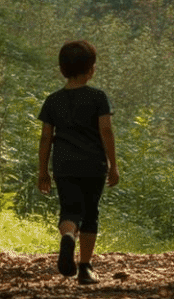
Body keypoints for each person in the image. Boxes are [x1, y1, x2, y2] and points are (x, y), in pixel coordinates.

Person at [37, 40, 120, 284]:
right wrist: (113, 165)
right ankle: (85, 268)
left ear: (62, 69)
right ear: (91, 69)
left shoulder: (53, 101)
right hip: (93, 165)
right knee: (90, 213)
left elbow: (45, 138)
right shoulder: (98, 97)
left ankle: (68, 237)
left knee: (70, 210)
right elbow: (106, 131)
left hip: (64, 165)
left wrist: (43, 171)